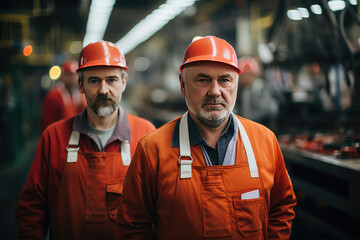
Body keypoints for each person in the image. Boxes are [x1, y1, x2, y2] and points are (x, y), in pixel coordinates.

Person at [118, 36, 297, 239]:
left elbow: (281, 209)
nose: (215, 91)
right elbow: (133, 225)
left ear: (236, 84)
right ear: (183, 85)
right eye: (203, 80)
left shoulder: (265, 141)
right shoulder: (152, 149)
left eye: (225, 80)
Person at [15, 41, 156, 239]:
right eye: (94, 81)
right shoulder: (54, 137)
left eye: (112, 80)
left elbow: (159, 206)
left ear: (124, 83)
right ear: (81, 85)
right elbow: (32, 210)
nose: (103, 90)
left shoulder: (145, 134)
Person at [40, 60, 87, 132]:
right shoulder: (54, 96)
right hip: (59, 135)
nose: (72, 78)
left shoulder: (81, 95)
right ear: (63, 76)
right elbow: (47, 122)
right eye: (69, 74)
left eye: (75, 75)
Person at [236, 56, 278, 127]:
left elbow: (269, 109)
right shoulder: (242, 88)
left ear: (253, 75)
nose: (242, 78)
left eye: (244, 75)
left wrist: (246, 121)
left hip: (261, 126)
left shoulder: (259, 87)